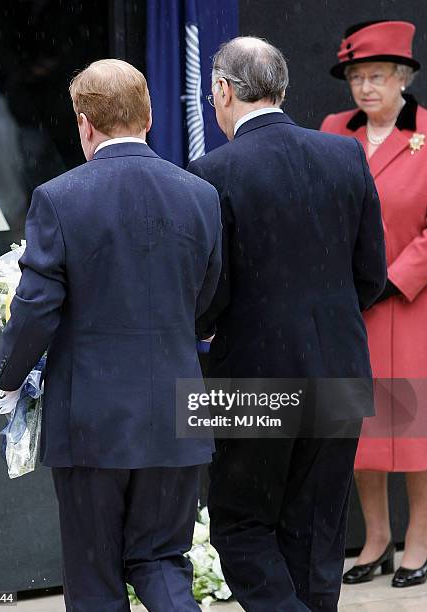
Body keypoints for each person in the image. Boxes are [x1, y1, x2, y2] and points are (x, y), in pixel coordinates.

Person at [0, 59, 222, 611]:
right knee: (163, 564)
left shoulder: (59, 197)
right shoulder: (200, 194)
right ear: (148, 116)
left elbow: (36, 308)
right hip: (176, 413)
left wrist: (8, 379)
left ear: (84, 123)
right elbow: (208, 305)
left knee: (94, 578)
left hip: (91, 421)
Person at [187, 36, 386, 612]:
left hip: (251, 376)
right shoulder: (344, 154)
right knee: (318, 535)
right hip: (341, 369)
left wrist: (199, 323)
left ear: (222, 91)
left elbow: (211, 293)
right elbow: (370, 274)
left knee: (240, 528)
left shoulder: (211, 171)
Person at [321, 20, 427, 589]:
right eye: (357, 77)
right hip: (350, 305)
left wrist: (393, 276)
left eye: (376, 76)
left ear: (403, 78)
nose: (365, 88)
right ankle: (378, 540)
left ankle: (419, 542)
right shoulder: (334, 130)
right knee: (359, 428)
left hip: (411, 306)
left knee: (412, 428)